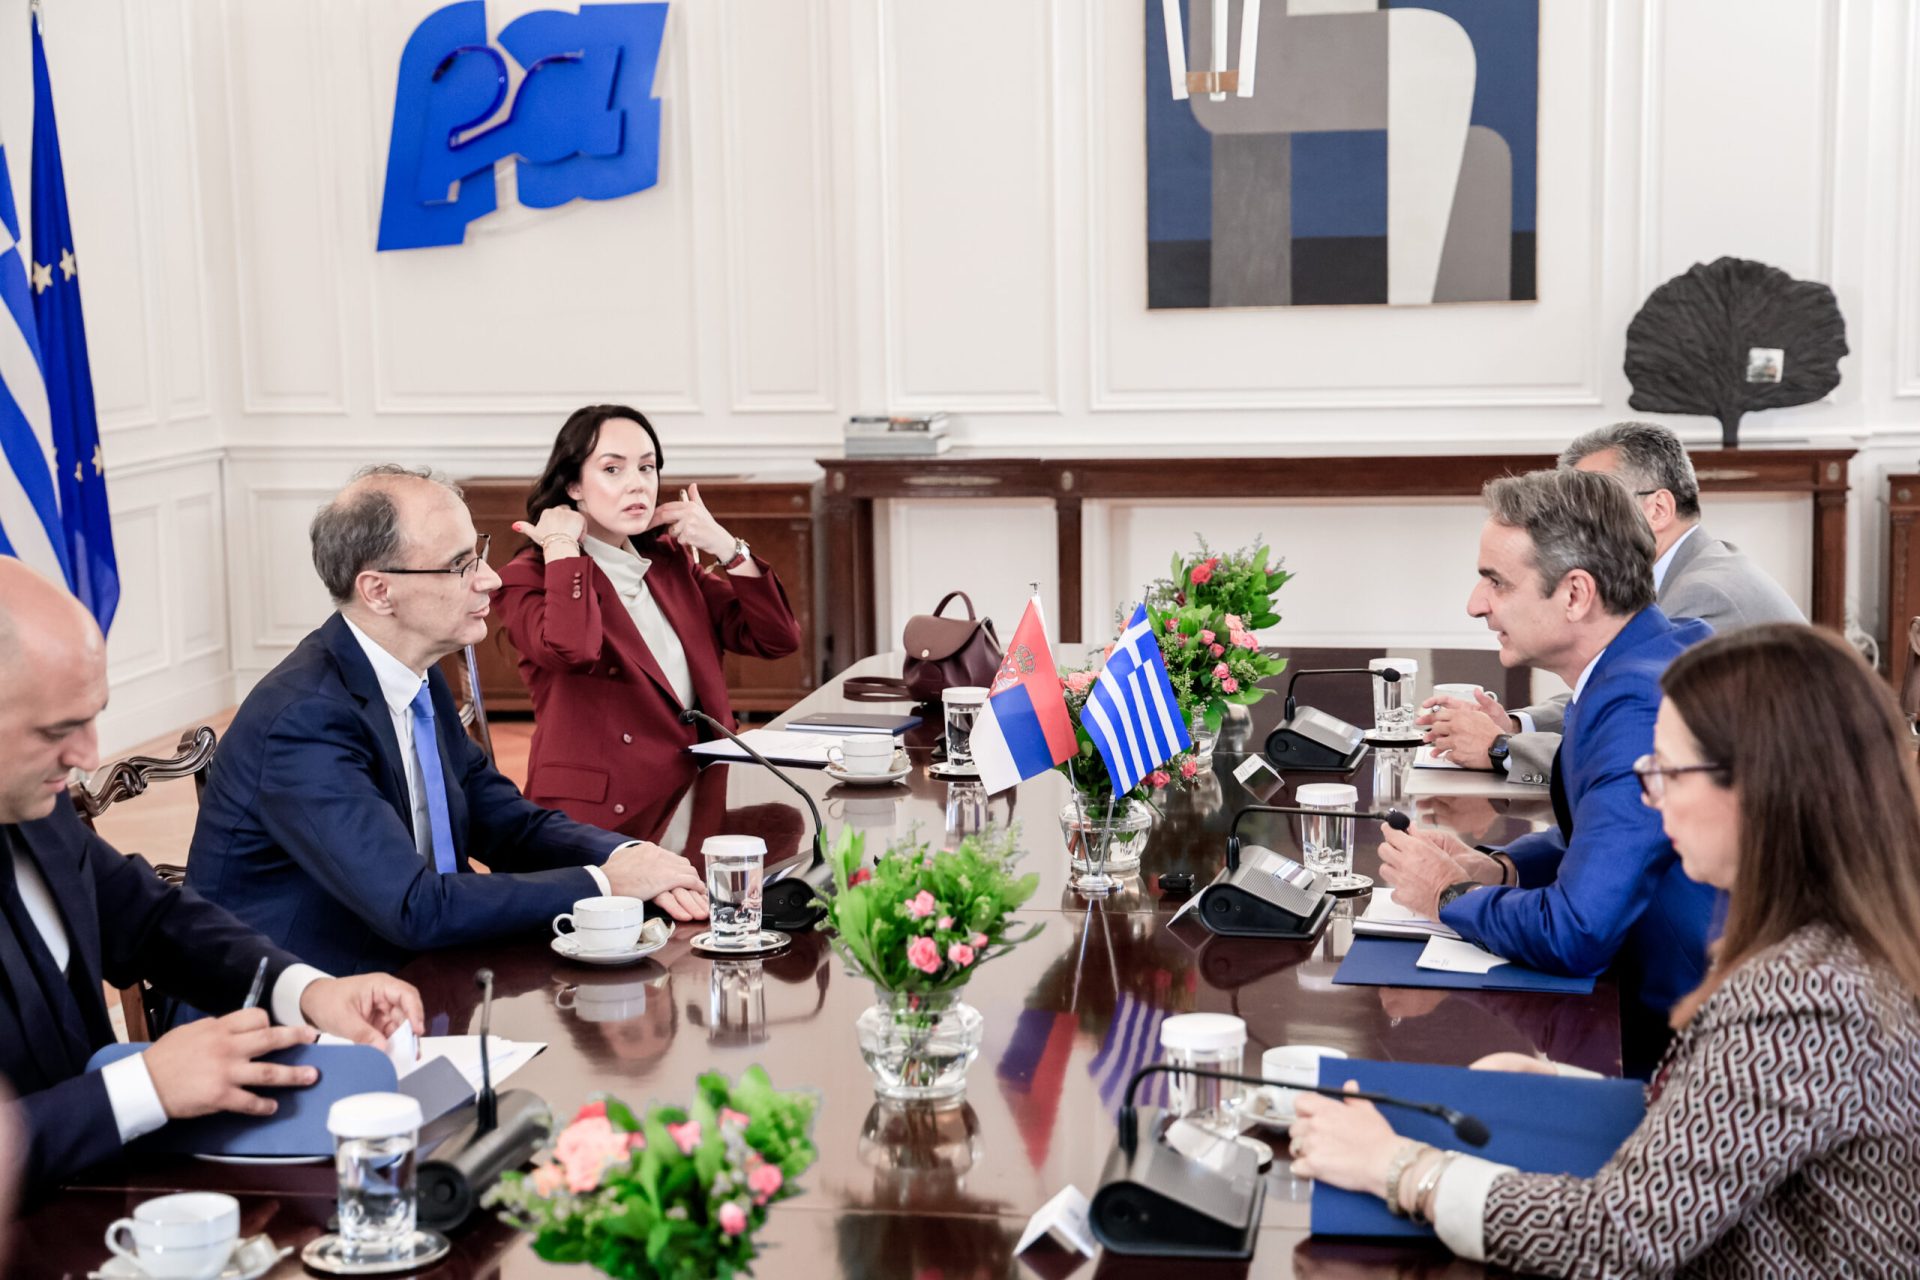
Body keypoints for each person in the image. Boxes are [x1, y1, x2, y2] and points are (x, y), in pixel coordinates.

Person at [1291, 624, 1920, 1278]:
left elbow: (1618, 1238)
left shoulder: (1804, 996)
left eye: (1668, 770)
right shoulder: (1832, 940)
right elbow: (1743, 1124)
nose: (1649, 795)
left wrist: (1398, 1168)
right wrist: (1574, 1090)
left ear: (1758, 790)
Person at [0, 560, 425, 1193]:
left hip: (114, 1201)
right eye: (57, 730)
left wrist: (307, 991)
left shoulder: (35, 800)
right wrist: (145, 1086)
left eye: (93, 717)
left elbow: (151, 920)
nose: (89, 756)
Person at [187, 467, 707, 978]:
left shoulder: (419, 675)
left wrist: (630, 856)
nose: (491, 578)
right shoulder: (304, 721)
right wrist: (604, 884)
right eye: (460, 565)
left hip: (412, 969)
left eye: (478, 553)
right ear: (378, 591)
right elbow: (414, 907)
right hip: (292, 1000)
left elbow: (506, 824)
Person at [1378, 469, 1717, 1069]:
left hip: (1681, 1047)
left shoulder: (1636, 705)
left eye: (1497, 582)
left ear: (1576, 594)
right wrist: (1500, 868)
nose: (1475, 604)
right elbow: (1612, 836)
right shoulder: (1641, 658)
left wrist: (1447, 894)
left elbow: (1577, 934)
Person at [1424, 420, 1802, 782]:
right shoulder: (1690, 570)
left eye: (1601, 499)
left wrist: (1502, 748)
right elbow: (1610, 689)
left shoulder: (1704, 595)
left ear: (1658, 509)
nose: (1576, 522)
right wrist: (1519, 725)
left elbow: (1635, 751)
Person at [493, 405, 802, 830]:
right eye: (612, 469)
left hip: (694, 792)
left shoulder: (666, 560)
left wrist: (727, 547)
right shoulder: (528, 577)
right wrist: (561, 547)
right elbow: (572, 650)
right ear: (573, 485)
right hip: (598, 817)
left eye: (646, 467)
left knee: (793, 830)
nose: (637, 483)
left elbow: (777, 637)